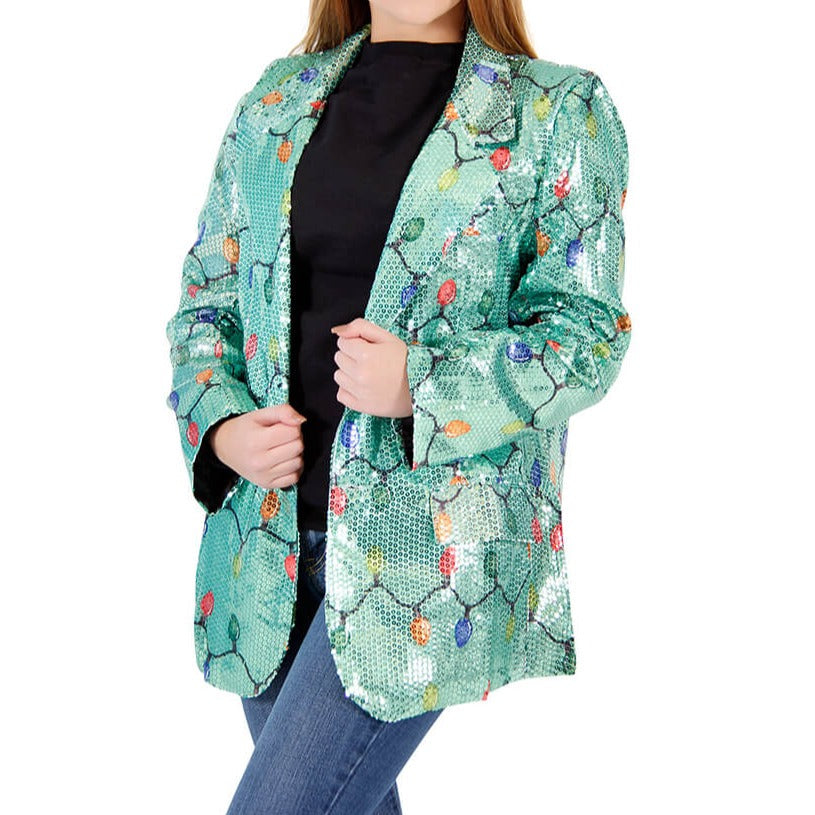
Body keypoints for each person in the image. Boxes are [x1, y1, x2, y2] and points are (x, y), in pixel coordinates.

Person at [165, 0, 631, 812]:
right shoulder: (276, 99)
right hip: (269, 548)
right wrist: (223, 428)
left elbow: (585, 336)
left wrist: (423, 383)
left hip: (424, 559)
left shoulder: (557, 110)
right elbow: (208, 303)